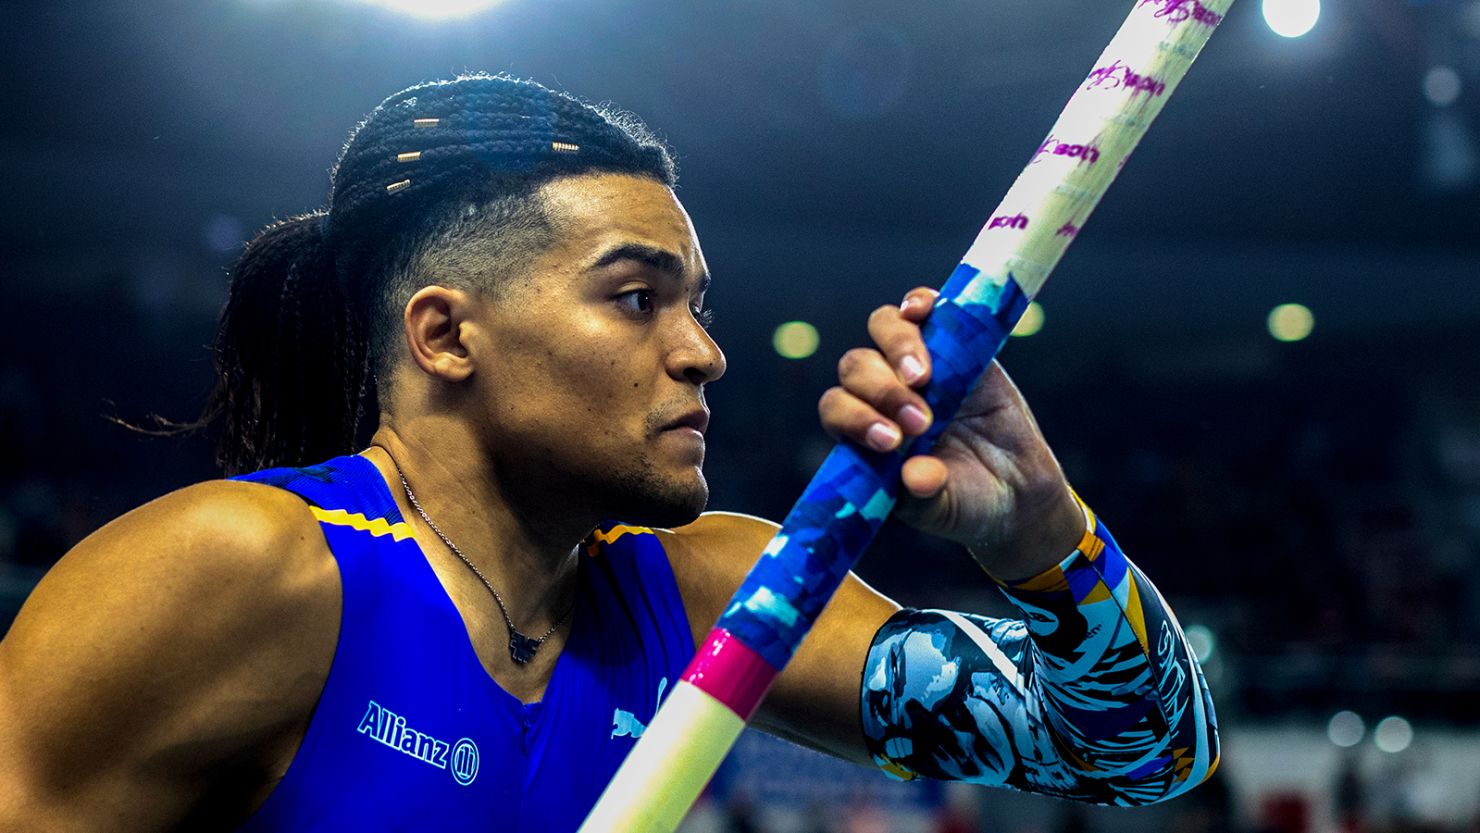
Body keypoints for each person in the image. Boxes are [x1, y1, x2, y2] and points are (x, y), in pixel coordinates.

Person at [0, 74, 1217, 831]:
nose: (702, 353)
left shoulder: (701, 592)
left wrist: (1034, 524)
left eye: (697, 304)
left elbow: (1144, 743)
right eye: (636, 298)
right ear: (446, 333)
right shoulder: (244, 570)